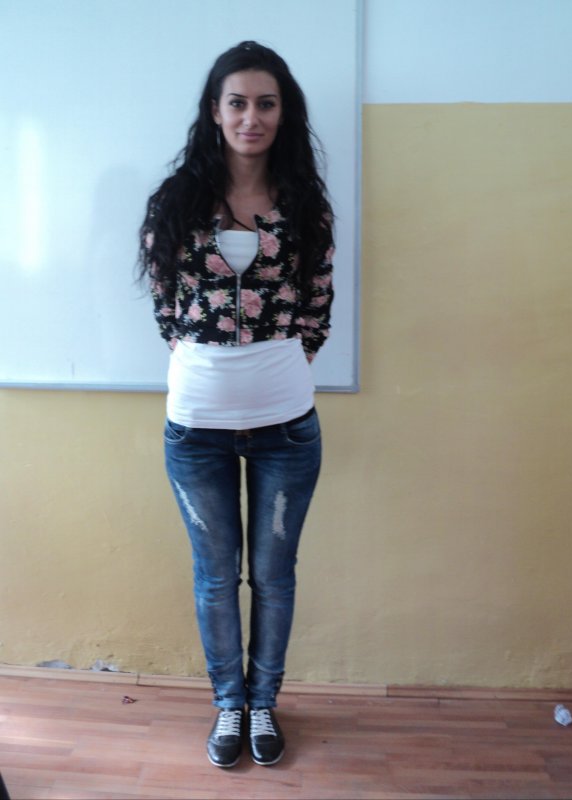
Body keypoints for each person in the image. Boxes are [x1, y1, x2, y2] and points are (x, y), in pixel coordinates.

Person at [138, 41, 334, 769]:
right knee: (216, 577)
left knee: (274, 577)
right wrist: (215, 367)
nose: (252, 117)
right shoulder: (177, 202)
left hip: (288, 430)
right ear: (215, 112)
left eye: (266, 103)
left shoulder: (305, 204)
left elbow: (317, 308)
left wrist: (270, 368)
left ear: (284, 113)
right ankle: (230, 702)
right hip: (196, 431)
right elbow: (166, 308)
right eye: (238, 102)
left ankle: (263, 702)